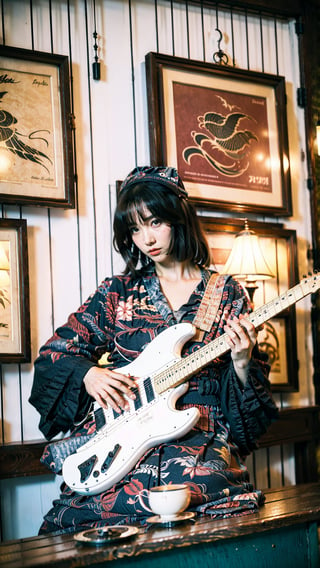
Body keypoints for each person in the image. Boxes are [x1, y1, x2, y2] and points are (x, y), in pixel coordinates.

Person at [29, 165, 278, 535]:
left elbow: (248, 419)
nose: (146, 238)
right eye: (135, 228)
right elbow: (55, 353)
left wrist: (241, 362)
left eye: (155, 222)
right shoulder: (116, 292)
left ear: (179, 218)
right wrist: (88, 373)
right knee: (76, 521)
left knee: (215, 512)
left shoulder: (227, 293)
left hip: (198, 445)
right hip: (118, 444)